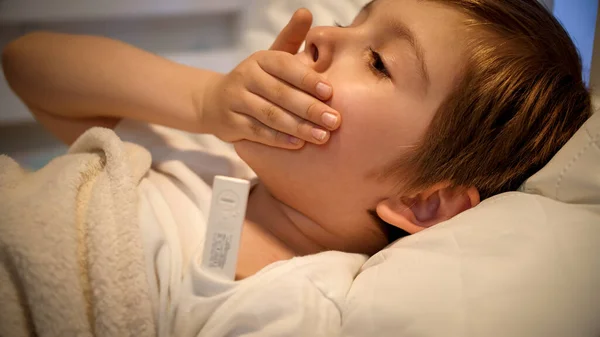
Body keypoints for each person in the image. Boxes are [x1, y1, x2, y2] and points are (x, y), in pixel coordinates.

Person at [0, 0, 591, 335]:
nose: (326, 34)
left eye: (379, 61)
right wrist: (201, 101)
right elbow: (28, 65)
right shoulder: (206, 146)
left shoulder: (294, 308)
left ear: (425, 202)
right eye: (357, 17)